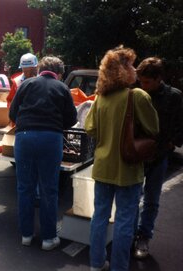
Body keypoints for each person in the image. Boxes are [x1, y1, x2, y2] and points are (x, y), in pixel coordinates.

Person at [84, 46, 159, 271]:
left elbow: (90, 128)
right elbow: (153, 128)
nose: (135, 69)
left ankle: (96, 263)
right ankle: (119, 267)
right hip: (128, 169)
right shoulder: (137, 96)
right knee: (125, 220)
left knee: (100, 217)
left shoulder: (101, 98)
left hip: (103, 167)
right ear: (122, 70)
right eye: (131, 64)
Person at [9, 56, 77, 251]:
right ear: (59, 73)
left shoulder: (26, 84)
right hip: (50, 138)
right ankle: (48, 238)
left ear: (40, 69)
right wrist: (54, 125)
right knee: (49, 189)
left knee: (25, 188)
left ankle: (26, 235)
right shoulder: (62, 88)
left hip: (24, 137)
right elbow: (71, 119)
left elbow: (12, 113)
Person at [133, 57, 183, 259]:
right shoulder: (136, 93)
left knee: (152, 199)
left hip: (159, 155)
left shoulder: (174, 96)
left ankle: (143, 237)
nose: (142, 86)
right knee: (131, 198)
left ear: (158, 78)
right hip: (136, 155)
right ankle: (128, 236)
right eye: (140, 81)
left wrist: (170, 144)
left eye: (146, 82)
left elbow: (180, 126)